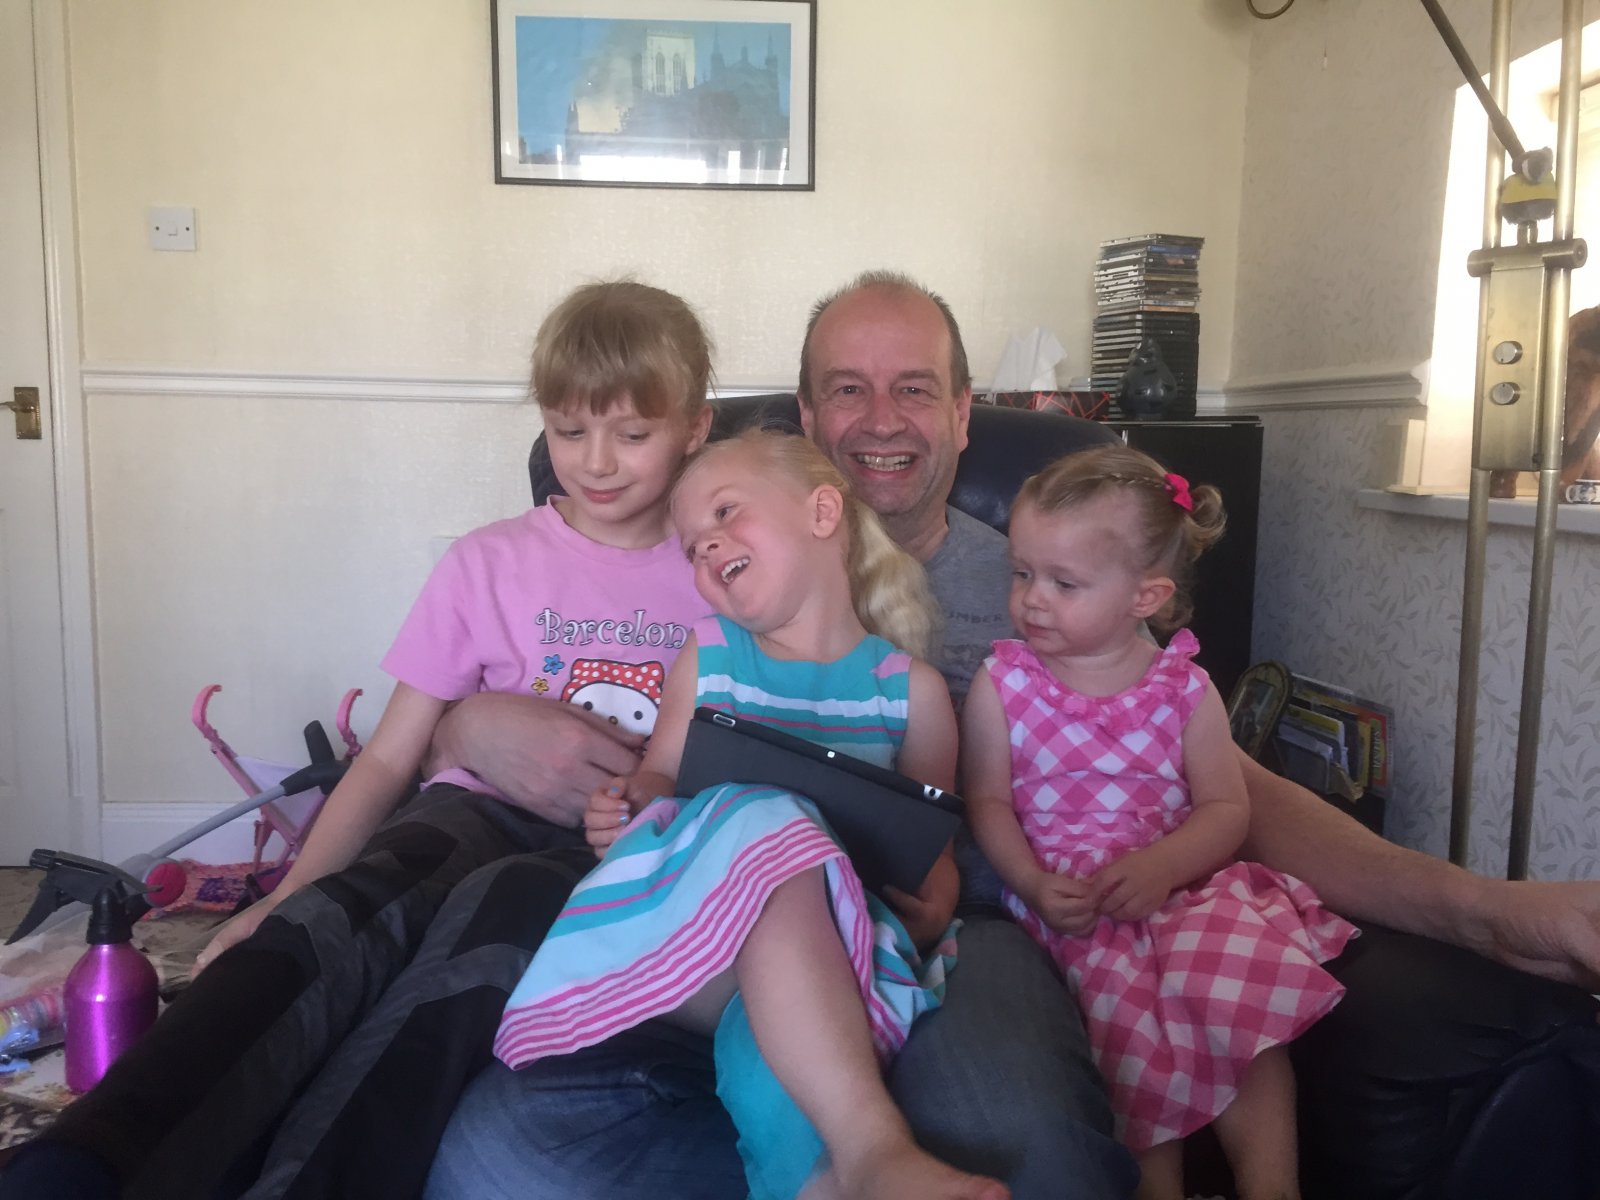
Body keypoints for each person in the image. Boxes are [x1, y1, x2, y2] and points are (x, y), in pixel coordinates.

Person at [427, 269, 1600, 1200]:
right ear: (805, 418)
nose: (879, 420)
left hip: (963, 935)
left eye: (913, 388)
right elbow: (563, 692)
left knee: (1025, 1151)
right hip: (718, 925)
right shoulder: (705, 561)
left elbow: (1214, 775)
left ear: (961, 409)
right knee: (501, 1161)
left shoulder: (1047, 581)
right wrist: (469, 724)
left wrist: (1478, 908)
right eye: (845, 390)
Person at [0, 279, 716, 1200]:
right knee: (341, 918)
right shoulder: (487, 561)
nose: (597, 462)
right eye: (570, 431)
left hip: (613, 853)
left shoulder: (722, 573)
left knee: (485, 937)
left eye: (633, 433)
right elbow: (386, 757)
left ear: (696, 427)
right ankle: (88, 1162)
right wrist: (290, 892)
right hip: (469, 817)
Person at [494, 429, 1004, 1200]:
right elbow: (659, 777)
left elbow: (929, 845)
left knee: (771, 1052)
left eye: (727, 513)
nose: (707, 547)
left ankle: (826, 1183)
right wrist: (625, 804)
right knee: (769, 815)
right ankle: (875, 1146)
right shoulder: (710, 655)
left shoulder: (912, 691)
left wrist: (933, 899)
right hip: (697, 937)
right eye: (693, 546)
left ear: (823, 513)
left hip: (831, 950)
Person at [962, 445, 1357, 1200]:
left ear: (1146, 596)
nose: (1033, 599)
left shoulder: (1185, 688)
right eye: (1021, 573)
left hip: (1176, 887)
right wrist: (1034, 884)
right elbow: (988, 802)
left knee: (1237, 988)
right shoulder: (1003, 682)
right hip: (1073, 901)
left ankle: (1273, 1185)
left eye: (1063, 582)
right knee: (1121, 1016)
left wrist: (1161, 868)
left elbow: (1226, 808)